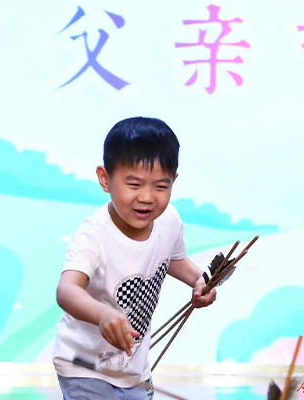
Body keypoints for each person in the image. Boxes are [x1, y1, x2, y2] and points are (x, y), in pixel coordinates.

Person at [53, 116, 217, 399]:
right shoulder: (94, 234)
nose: (147, 197)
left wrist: (199, 281)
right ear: (105, 178)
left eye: (160, 186)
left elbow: (172, 259)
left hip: (134, 369)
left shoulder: (169, 220)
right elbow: (67, 290)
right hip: (85, 367)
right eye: (134, 184)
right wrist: (103, 314)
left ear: (174, 181)